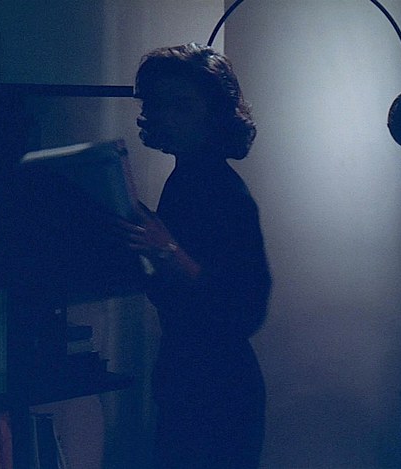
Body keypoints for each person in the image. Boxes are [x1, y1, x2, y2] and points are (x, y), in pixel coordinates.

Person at [117, 43, 271, 469]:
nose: (166, 116)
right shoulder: (185, 180)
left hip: (220, 392)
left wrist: (167, 249)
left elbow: (247, 308)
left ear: (214, 114)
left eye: (181, 105)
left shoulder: (223, 190)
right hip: (186, 380)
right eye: (160, 104)